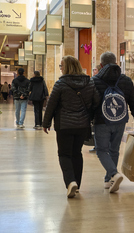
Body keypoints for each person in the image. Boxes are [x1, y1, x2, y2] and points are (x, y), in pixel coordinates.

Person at [42, 56, 101, 198]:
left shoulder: (60, 84)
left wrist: (46, 123)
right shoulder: (89, 82)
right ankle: (77, 185)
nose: (60, 68)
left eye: (61, 66)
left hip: (64, 125)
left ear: (67, 67)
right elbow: (96, 102)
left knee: (64, 154)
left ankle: (70, 182)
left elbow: (51, 105)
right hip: (82, 125)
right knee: (77, 153)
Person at [93, 51, 134, 193]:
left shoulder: (95, 80)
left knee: (101, 150)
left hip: (101, 120)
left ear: (101, 65)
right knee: (114, 150)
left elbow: (91, 103)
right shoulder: (125, 80)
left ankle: (113, 174)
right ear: (116, 63)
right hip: (120, 120)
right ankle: (109, 180)